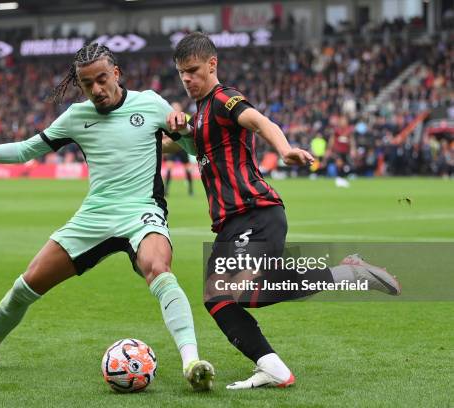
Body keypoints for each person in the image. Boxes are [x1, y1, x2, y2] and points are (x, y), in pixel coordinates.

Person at [0, 43, 214, 391]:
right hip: (94, 216)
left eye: (102, 79)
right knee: (27, 284)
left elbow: (195, 150)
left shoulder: (151, 104)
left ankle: (192, 362)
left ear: (116, 74)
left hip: (142, 212)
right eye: (87, 83)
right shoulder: (77, 117)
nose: (96, 89)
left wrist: (184, 129)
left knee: (158, 269)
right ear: (79, 85)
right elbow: (24, 151)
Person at [166, 32, 401, 390]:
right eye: (182, 73)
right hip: (232, 224)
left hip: (255, 213)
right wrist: (166, 127)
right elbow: (170, 145)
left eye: (193, 70)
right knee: (219, 299)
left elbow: (261, 122)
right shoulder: (199, 116)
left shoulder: (224, 99)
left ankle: (348, 275)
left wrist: (285, 147)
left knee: (232, 293)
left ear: (212, 65)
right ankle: (274, 366)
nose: (187, 79)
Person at [163, 101, 194, 196]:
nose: (175, 109)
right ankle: (166, 190)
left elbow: (191, 132)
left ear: (181, 108)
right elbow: (164, 133)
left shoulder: (187, 117)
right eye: (173, 107)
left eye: (177, 107)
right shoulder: (168, 119)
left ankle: (190, 190)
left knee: (188, 168)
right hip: (172, 147)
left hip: (183, 147)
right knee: (169, 167)